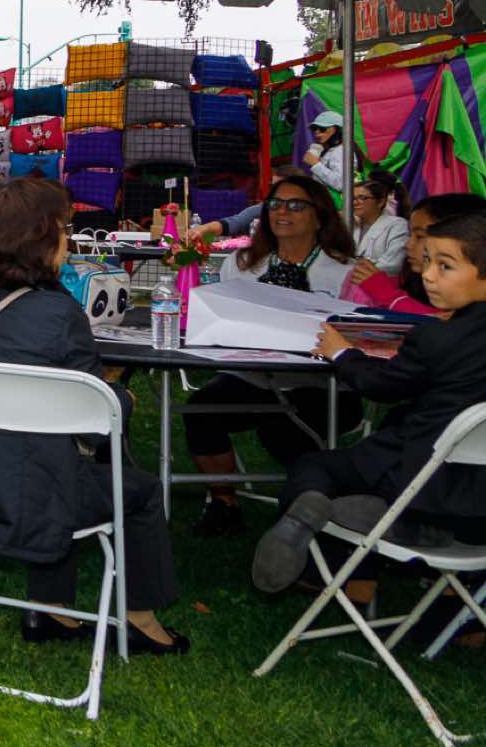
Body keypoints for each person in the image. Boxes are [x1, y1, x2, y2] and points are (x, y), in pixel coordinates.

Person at [0, 176, 189, 653]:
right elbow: (96, 426)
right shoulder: (59, 316)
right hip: (36, 495)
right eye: (61, 229)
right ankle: (139, 619)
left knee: (52, 464)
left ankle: (51, 609)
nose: (68, 238)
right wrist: (122, 399)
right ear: (37, 240)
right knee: (134, 489)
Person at [255, 208, 486, 596]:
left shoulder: (437, 339)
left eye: (445, 266)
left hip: (423, 483)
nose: (428, 275)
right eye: (428, 261)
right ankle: (370, 553)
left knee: (317, 464)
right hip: (476, 499)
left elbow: (382, 385)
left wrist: (341, 352)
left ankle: (324, 546)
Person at [183, 173, 361, 537]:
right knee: (201, 411)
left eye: (295, 205)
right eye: (275, 204)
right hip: (254, 375)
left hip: (324, 382)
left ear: (319, 215)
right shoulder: (242, 263)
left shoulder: (347, 270)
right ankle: (223, 503)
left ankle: (314, 509)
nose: (282, 212)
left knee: (283, 429)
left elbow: (360, 336)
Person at [347, 192, 486, 315]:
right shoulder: (410, 279)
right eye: (410, 234)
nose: (408, 244)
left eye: (420, 236)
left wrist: (386, 293)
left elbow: (442, 320)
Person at [347, 170, 410, 277]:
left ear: (380, 202)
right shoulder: (348, 223)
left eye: (362, 198)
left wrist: (355, 271)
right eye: (352, 198)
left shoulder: (397, 225)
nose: (355, 203)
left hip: (377, 282)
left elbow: (393, 264)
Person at [302, 109, 352, 197]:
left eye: (322, 128)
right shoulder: (334, 150)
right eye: (314, 128)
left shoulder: (341, 150)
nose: (317, 132)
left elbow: (342, 184)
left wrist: (315, 164)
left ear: (335, 130)